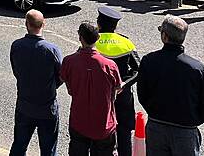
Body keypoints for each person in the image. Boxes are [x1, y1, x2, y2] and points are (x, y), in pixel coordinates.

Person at [137, 15, 204, 156]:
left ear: (165, 36)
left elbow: (142, 94)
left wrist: (153, 111)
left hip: (156, 126)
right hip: (186, 130)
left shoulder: (149, 61)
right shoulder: (196, 68)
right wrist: (192, 121)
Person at [60, 21, 121, 156]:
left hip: (79, 121)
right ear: (98, 38)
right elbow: (118, 88)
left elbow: (68, 87)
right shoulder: (110, 65)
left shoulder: (68, 61)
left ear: (80, 38)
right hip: (104, 124)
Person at [8, 9, 63, 156]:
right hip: (47, 108)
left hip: (24, 106)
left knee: (19, 146)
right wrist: (52, 85)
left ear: (27, 24)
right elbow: (61, 75)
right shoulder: (52, 50)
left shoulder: (16, 46)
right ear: (44, 23)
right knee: (48, 150)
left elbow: (16, 71)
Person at [95, 7, 140, 156]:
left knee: (100, 132)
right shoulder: (125, 42)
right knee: (124, 133)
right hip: (122, 94)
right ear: (115, 26)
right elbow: (138, 69)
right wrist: (124, 84)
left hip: (99, 95)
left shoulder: (92, 42)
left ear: (99, 24)